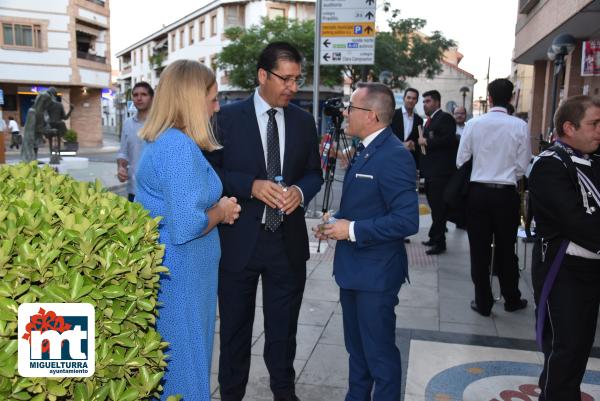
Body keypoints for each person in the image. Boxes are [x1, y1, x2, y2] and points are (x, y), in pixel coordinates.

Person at [206, 42, 323, 401]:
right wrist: (251, 187)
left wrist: (299, 194)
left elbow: (313, 174)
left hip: (286, 245)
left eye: (296, 79)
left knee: (283, 331)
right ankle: (231, 394)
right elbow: (212, 173)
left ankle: (284, 393)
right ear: (262, 75)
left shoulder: (304, 122)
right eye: (285, 79)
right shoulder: (224, 118)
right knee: (236, 333)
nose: (292, 87)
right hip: (237, 243)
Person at [135, 60, 241, 401]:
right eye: (212, 98)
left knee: (181, 365)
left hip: (184, 275)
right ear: (191, 100)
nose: (217, 106)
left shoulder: (169, 143)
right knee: (187, 371)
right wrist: (221, 211)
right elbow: (186, 225)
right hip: (182, 277)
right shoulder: (177, 147)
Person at [314, 82, 419, 401]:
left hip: (376, 275)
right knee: (357, 353)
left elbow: (407, 220)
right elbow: (368, 204)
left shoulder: (394, 155)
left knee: (380, 358)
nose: (345, 112)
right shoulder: (366, 148)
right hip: (355, 270)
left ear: (371, 115)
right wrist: (336, 224)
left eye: (351, 108)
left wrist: (352, 230)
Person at [528, 95, 600, 401]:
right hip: (563, 270)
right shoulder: (548, 165)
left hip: (591, 267)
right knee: (564, 348)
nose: (599, 130)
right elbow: (575, 221)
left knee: (579, 348)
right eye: (594, 124)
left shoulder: (594, 161)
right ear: (569, 127)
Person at [456, 79, 531, 316]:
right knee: (506, 249)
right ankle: (511, 298)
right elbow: (522, 165)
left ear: (488, 97)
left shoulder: (474, 124)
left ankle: (483, 302)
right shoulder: (519, 126)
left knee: (478, 250)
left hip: (478, 192)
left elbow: (461, 160)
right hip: (506, 194)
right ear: (511, 98)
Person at [418, 90, 457, 255]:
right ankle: (434, 236)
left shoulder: (445, 118)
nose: (424, 104)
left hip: (441, 173)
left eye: (427, 101)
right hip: (430, 171)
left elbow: (449, 140)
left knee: (439, 208)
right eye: (424, 101)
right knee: (434, 206)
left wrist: (427, 141)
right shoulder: (430, 120)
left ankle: (440, 242)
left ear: (437, 102)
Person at [390, 87, 423, 244]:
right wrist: (401, 144)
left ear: (417, 100)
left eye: (414, 98)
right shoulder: (393, 115)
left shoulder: (418, 120)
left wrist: (413, 144)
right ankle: (391, 230)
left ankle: (400, 231)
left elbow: (418, 141)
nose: (411, 100)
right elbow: (387, 134)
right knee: (390, 196)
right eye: (408, 97)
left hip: (408, 164)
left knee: (403, 197)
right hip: (391, 162)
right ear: (404, 98)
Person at [117, 81, 154, 201]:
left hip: (156, 193)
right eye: (135, 95)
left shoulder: (161, 124)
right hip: (133, 190)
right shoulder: (127, 124)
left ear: (152, 98)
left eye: (143, 94)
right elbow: (123, 153)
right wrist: (121, 167)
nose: (139, 98)